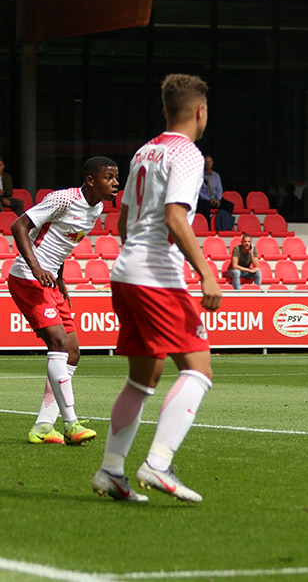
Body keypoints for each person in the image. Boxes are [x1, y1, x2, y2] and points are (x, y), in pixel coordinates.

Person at [93, 73, 223, 504]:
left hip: (125, 271)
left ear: (165, 111)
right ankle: (159, 463)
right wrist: (205, 272)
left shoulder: (145, 150)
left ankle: (112, 471)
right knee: (198, 369)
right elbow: (174, 218)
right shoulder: (187, 155)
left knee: (143, 378)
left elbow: (123, 221)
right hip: (156, 276)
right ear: (200, 112)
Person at [10, 156, 118, 446]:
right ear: (91, 180)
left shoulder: (95, 209)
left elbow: (59, 245)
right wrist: (36, 268)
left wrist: (59, 280)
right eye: (109, 177)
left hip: (50, 282)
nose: (116, 183)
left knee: (71, 352)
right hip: (27, 276)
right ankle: (71, 423)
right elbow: (19, 226)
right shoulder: (63, 199)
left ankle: (43, 427)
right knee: (57, 343)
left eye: (116, 177)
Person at [196, 154, 234, 218]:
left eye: (210, 162)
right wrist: (209, 200)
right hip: (205, 200)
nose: (208, 164)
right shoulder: (199, 176)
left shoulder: (216, 176)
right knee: (205, 206)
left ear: (212, 163)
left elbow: (219, 189)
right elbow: (199, 192)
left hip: (215, 199)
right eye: (206, 162)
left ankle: (222, 222)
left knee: (230, 205)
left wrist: (218, 199)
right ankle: (207, 224)